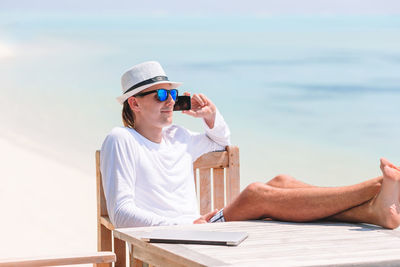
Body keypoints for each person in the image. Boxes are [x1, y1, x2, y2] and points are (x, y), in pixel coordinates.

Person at [100, 61, 400, 230]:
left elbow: (220, 141)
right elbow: (122, 213)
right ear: (135, 103)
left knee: (283, 182)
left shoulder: (177, 136)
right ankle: (374, 187)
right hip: (180, 234)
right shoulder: (122, 139)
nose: (169, 103)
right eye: (160, 96)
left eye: (172, 94)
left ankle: (373, 211)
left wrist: (211, 116)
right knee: (257, 194)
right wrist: (184, 224)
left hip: (201, 227)